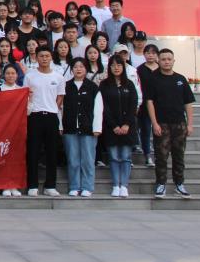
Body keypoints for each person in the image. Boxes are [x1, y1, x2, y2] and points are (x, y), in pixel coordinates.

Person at [146, 48, 196, 199]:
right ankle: (161, 184)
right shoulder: (153, 79)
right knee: (161, 156)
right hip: (161, 123)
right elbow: (149, 102)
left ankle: (179, 184)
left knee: (179, 155)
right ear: (158, 61)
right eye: (163, 59)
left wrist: (190, 124)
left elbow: (188, 103)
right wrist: (154, 123)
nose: (166, 62)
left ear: (174, 61)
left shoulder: (180, 79)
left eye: (169, 59)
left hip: (179, 123)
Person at [24, 47, 64, 197]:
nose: (44, 58)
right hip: (34, 116)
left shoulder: (58, 77)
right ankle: (32, 185)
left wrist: (52, 108)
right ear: (37, 58)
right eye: (41, 56)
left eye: (47, 56)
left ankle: (50, 186)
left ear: (51, 57)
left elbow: (60, 97)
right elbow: (25, 96)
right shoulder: (30, 76)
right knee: (33, 152)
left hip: (52, 116)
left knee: (51, 152)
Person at [62, 58, 103, 197]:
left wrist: (97, 127)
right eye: (75, 67)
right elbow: (60, 107)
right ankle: (74, 186)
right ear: (71, 69)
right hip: (70, 128)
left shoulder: (93, 87)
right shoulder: (66, 86)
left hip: (88, 129)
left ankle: (87, 186)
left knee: (88, 160)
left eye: (81, 66)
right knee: (73, 159)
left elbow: (98, 109)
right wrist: (60, 125)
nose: (78, 69)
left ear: (86, 69)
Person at [101, 54, 139, 198]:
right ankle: (116, 185)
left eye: (119, 65)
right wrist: (114, 125)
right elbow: (104, 107)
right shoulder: (104, 85)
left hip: (127, 127)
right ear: (109, 68)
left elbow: (133, 105)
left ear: (123, 67)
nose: (116, 68)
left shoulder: (129, 84)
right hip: (111, 127)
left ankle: (124, 185)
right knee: (114, 157)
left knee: (125, 157)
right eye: (113, 65)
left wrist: (127, 124)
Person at [136, 43, 160, 166]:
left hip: (160, 105)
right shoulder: (139, 70)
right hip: (144, 105)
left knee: (159, 130)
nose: (150, 55)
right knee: (145, 130)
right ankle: (147, 155)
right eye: (148, 53)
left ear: (157, 55)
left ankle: (159, 154)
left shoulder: (161, 68)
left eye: (153, 53)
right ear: (144, 54)